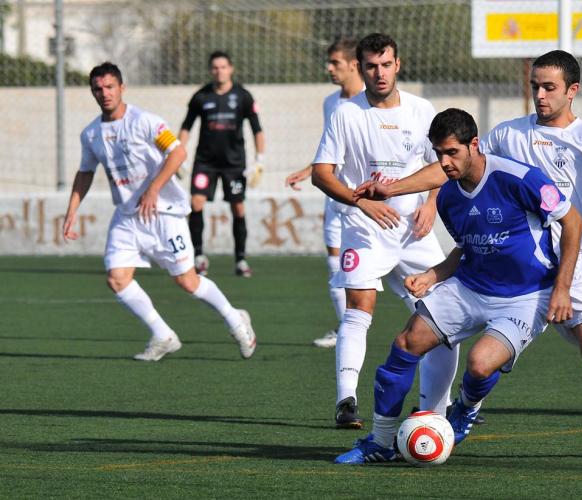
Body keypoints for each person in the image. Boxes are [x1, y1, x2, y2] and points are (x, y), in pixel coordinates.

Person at [355, 50, 582, 460]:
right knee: (453, 349)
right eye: (534, 86)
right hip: (516, 266)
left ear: (572, 90)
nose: (539, 95)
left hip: (574, 268)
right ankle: (450, 413)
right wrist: (393, 188)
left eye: (549, 87)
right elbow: (455, 163)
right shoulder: (508, 135)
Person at [334, 108, 582, 464]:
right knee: (406, 343)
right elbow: (466, 249)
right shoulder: (449, 198)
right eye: (439, 153)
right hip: (471, 286)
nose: (444, 162)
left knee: (480, 364)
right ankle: (381, 442)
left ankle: (465, 408)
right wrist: (433, 275)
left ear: (474, 145)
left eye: (452, 152)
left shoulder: (519, 178)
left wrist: (562, 288)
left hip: (527, 295)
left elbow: (573, 221)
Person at [63, 62, 257, 362]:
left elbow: (178, 152)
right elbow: (85, 171)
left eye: (110, 87)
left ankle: (236, 319)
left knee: (188, 282)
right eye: (98, 89)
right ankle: (162, 335)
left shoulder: (145, 122)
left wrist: (153, 189)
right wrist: (72, 211)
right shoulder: (90, 134)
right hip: (128, 217)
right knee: (117, 278)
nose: (105, 93)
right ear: (92, 92)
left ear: (122, 87)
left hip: (163, 214)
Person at [311, 33, 457, 429]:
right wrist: (361, 202)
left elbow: (442, 164)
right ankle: (346, 400)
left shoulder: (421, 110)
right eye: (371, 66)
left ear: (398, 65)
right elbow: (321, 173)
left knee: (442, 318)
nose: (380, 73)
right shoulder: (345, 113)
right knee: (359, 308)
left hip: (413, 232)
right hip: (364, 228)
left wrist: (431, 203)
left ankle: (436, 409)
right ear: (360, 68)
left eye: (386, 64)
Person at [285, 37, 364, 349]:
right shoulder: (331, 102)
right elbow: (330, 149)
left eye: (335, 63)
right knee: (335, 263)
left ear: (354, 65)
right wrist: (309, 170)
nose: (329, 68)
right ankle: (346, 329)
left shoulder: (371, 100)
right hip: (336, 196)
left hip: (369, 198)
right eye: (329, 62)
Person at [179, 50, 265, 278]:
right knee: (196, 203)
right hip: (205, 162)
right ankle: (198, 257)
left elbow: (257, 129)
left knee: (238, 207)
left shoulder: (243, 96)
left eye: (223, 67)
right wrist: (179, 154)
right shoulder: (201, 96)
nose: (219, 71)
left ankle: (241, 260)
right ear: (210, 70)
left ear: (231, 69)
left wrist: (260, 160)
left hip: (234, 164)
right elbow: (186, 127)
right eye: (215, 68)